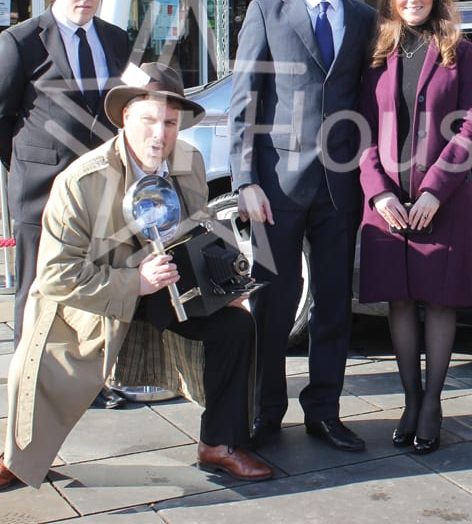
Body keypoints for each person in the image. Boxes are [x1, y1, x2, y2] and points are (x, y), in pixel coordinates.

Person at [0, 62, 273, 491]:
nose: (159, 134)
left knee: (237, 325)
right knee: (40, 370)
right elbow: (54, 275)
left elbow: (198, 228)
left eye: (170, 123)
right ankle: (18, 458)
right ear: (125, 117)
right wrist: (134, 282)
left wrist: (225, 285)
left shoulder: (189, 161)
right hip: (92, 298)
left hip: (166, 284)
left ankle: (220, 444)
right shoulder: (81, 180)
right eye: (148, 120)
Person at [229, 0, 375, 452]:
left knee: (333, 305)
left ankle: (324, 413)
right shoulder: (267, 12)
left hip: (340, 189)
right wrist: (245, 179)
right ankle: (266, 411)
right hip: (276, 187)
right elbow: (245, 100)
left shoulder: (364, 19)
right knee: (273, 303)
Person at [358, 0, 472, 454]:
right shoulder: (375, 52)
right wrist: (378, 191)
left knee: (440, 300)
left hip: (443, 198)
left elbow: (470, 125)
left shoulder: (460, 50)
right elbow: (360, 129)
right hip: (388, 200)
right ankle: (410, 401)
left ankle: (432, 404)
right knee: (400, 299)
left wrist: (434, 189)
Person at [0, 0, 131, 408]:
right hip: (41, 191)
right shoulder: (20, 42)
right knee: (37, 291)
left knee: (95, 286)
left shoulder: (115, 39)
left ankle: (91, 383)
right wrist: (26, 167)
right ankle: (30, 391)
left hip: (100, 191)